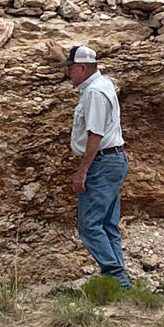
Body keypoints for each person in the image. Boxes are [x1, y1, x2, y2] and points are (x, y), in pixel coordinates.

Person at [46, 42, 132, 287]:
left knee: (90, 226)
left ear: (82, 68)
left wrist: (82, 171)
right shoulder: (100, 83)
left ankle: (117, 279)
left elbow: (95, 134)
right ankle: (119, 283)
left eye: (70, 68)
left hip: (102, 164)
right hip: (113, 161)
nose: (66, 73)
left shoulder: (94, 93)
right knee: (107, 225)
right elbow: (81, 82)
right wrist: (63, 57)